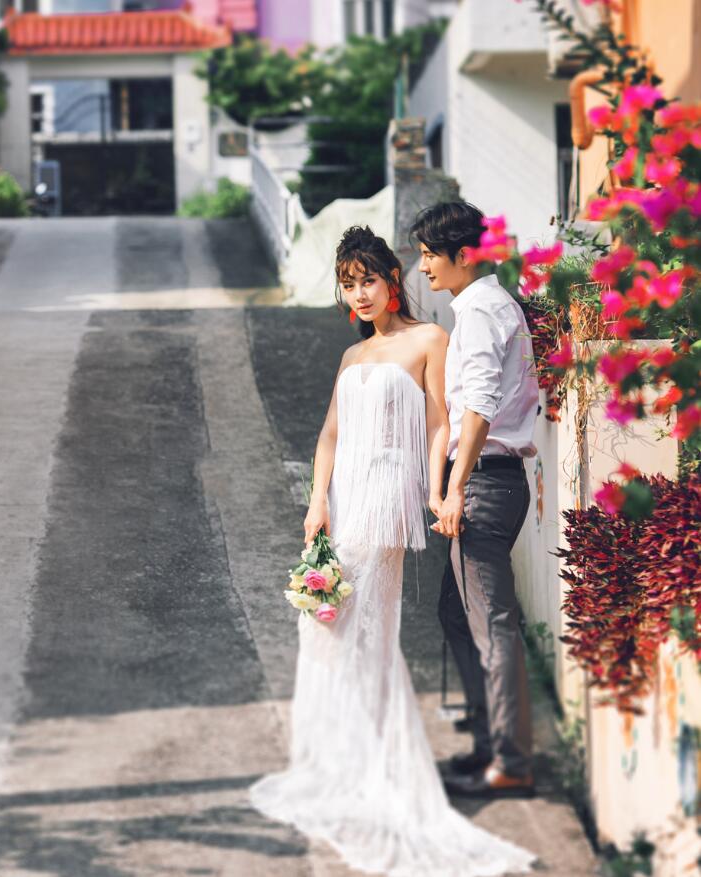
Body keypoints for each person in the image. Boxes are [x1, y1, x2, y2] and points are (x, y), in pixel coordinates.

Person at [250, 226, 535, 877]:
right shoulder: (352, 355)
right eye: (348, 284)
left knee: (361, 626)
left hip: (385, 498)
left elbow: (440, 422)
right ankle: (343, 758)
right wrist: (316, 501)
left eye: (367, 280)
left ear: (391, 280)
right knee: (324, 626)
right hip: (343, 497)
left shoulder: (430, 339)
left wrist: (435, 490)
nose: (359, 294)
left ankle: (374, 766)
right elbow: (329, 434)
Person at [413, 202, 541, 799]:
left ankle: (510, 761)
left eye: (428, 255)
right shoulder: (482, 306)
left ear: (463, 255)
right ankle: (490, 744)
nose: (422, 267)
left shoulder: (483, 310)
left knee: (492, 626)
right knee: (456, 613)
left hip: (486, 481)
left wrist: (456, 487)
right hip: (489, 480)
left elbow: (481, 407)